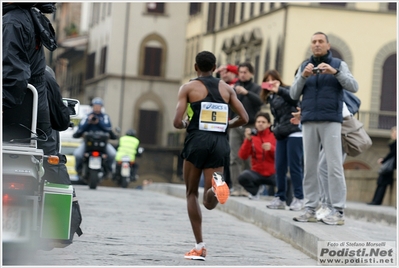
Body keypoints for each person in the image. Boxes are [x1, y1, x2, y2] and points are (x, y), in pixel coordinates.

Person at [173, 51, 248, 260]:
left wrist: (188, 123)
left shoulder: (188, 87)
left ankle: (199, 246)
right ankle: (217, 188)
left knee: (191, 193)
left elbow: (177, 122)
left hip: (197, 140)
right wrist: (227, 125)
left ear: (196, 67)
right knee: (209, 200)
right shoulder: (227, 88)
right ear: (215, 68)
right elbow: (244, 117)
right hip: (220, 142)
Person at [290, 31, 359, 225]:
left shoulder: (338, 65)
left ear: (328, 45)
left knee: (334, 166)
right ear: (311, 45)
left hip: (331, 121)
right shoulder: (305, 66)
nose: (317, 44)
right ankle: (310, 208)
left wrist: (335, 73)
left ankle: (338, 210)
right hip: (309, 120)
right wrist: (303, 76)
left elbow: (354, 86)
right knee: (309, 167)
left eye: (321, 41)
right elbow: (294, 93)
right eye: (314, 42)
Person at [3, 3, 58, 155]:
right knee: (50, 159)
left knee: (49, 159)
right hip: (32, 113)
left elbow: (13, 77)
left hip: (16, 114)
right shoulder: (30, 17)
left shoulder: (11, 22)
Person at [260, 70, 304, 211]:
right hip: (281, 133)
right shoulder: (271, 98)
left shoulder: (288, 90)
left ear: (279, 80)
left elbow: (293, 100)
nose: (271, 82)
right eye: (268, 80)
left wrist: (279, 90)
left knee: (295, 166)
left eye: (274, 79)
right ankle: (280, 198)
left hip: (294, 132)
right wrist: (275, 128)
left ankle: (298, 198)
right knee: (279, 167)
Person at [229, 62, 263, 196]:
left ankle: (248, 187)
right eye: (240, 72)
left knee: (249, 158)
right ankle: (236, 187)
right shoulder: (234, 87)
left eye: (245, 72)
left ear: (251, 73)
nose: (242, 75)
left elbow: (260, 102)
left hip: (250, 125)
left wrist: (247, 93)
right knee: (234, 157)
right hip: (235, 125)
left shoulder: (256, 88)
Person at [73, 97, 117, 176]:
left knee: (113, 154)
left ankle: (109, 170)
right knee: (77, 154)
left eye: (98, 106)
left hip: (102, 143)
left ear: (101, 107)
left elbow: (108, 128)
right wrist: (88, 122)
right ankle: (78, 169)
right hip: (88, 143)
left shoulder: (105, 117)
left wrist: (98, 122)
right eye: (95, 106)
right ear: (92, 106)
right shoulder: (87, 116)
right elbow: (80, 128)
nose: (96, 107)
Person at [237, 112, 276, 200]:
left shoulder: (274, 136)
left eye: (263, 122)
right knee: (242, 177)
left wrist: (272, 148)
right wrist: (247, 140)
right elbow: (242, 156)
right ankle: (255, 192)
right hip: (257, 173)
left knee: (287, 180)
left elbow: (281, 157)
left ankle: (286, 201)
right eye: (258, 122)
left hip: (273, 173)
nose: (260, 124)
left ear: (269, 124)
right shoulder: (252, 137)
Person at [214, 63, 239, 189]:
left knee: (229, 156)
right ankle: (223, 182)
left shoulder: (235, 86)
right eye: (222, 72)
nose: (224, 74)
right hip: (221, 124)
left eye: (227, 71)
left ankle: (229, 182)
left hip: (230, 124)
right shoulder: (222, 85)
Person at [367, 126, 397, 205]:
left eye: (394, 133)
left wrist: (383, 160)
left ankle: (377, 201)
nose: (392, 134)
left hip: (391, 167)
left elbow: (392, 154)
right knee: (380, 182)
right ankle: (375, 200)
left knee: (382, 182)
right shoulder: (393, 142)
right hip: (390, 166)